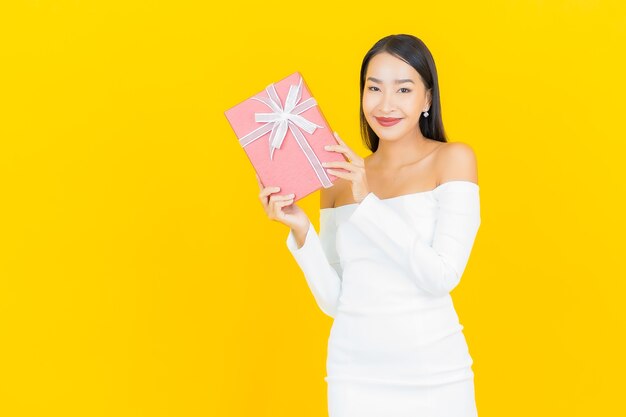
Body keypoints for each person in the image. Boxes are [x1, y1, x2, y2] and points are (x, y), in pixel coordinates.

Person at [256, 34, 481, 417]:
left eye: (403, 89)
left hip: (433, 374)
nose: (386, 104)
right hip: (353, 375)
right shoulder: (337, 179)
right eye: (374, 88)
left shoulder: (452, 160)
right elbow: (335, 300)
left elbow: (441, 275)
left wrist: (368, 202)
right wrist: (300, 229)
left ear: (427, 98)